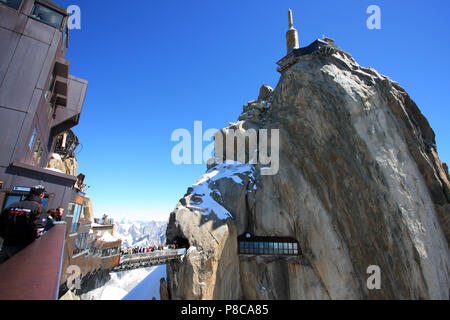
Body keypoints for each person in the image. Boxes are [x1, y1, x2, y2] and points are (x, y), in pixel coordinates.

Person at [0, 185, 48, 263]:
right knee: (15, 273)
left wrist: (7, 237)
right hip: (23, 248)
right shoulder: (39, 208)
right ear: (41, 195)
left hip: (6, 245)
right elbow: (38, 231)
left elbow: (1, 224)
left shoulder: (13, 205)